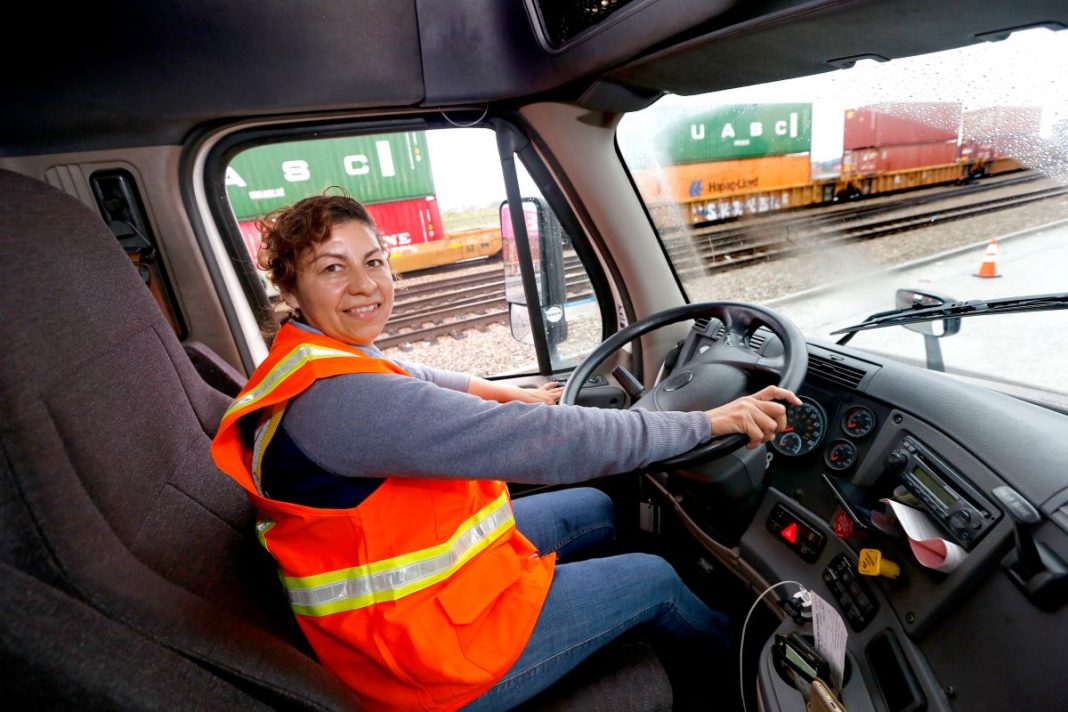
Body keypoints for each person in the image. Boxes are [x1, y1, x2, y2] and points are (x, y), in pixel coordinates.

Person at [211, 193, 801, 711]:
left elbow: (424, 376)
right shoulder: (342, 403)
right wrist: (703, 424)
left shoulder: (312, 359)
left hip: (410, 612)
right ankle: (749, 676)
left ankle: (596, 616)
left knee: (594, 507)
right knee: (655, 579)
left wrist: (527, 396)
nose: (364, 285)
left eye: (373, 262)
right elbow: (545, 445)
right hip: (423, 668)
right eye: (332, 269)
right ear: (289, 287)